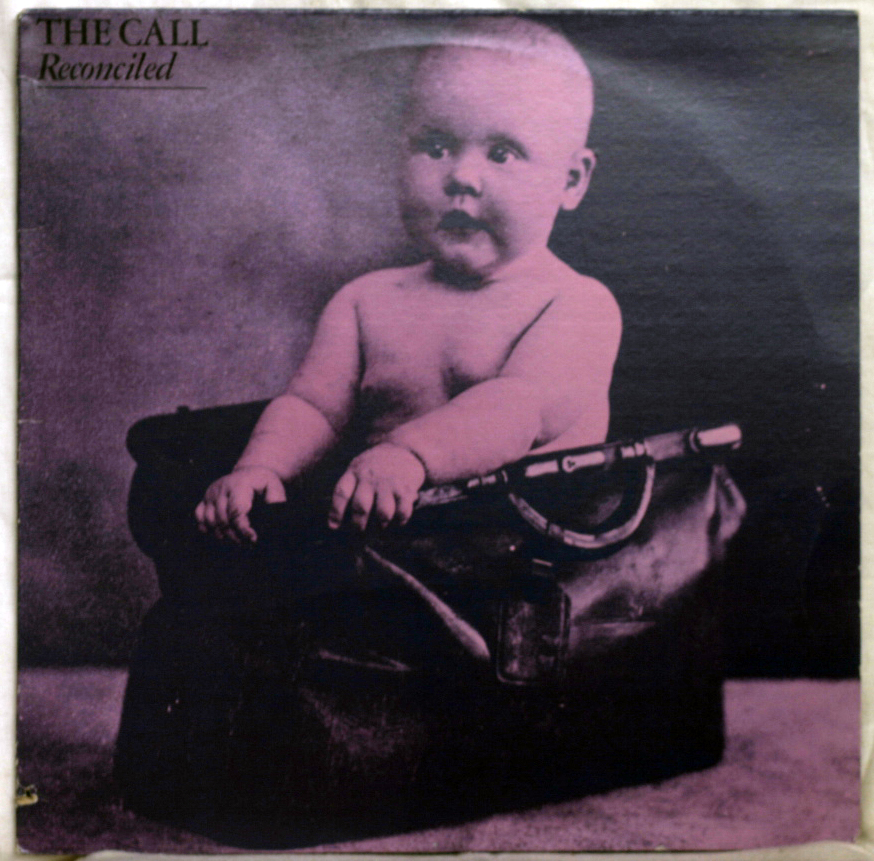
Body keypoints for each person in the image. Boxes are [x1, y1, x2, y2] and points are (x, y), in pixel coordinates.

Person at [195, 17, 622, 544]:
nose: (462, 176)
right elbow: (313, 408)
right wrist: (261, 468)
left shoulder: (575, 304)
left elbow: (518, 408)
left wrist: (409, 455)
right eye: (436, 146)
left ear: (572, 180)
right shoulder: (365, 301)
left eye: (502, 153)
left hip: (523, 557)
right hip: (390, 554)